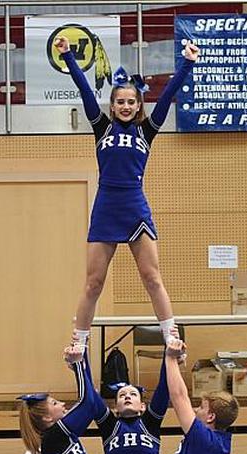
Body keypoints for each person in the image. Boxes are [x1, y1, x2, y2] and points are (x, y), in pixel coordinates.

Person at [55, 35, 199, 349]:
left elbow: (168, 96)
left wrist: (187, 63)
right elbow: (83, 89)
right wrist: (67, 56)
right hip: (106, 205)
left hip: (135, 206)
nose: (125, 106)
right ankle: (79, 341)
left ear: (138, 106)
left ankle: (170, 335)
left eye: (131, 102)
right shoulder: (101, 126)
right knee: (94, 282)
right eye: (120, 102)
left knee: (152, 277)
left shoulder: (147, 130)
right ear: (113, 105)